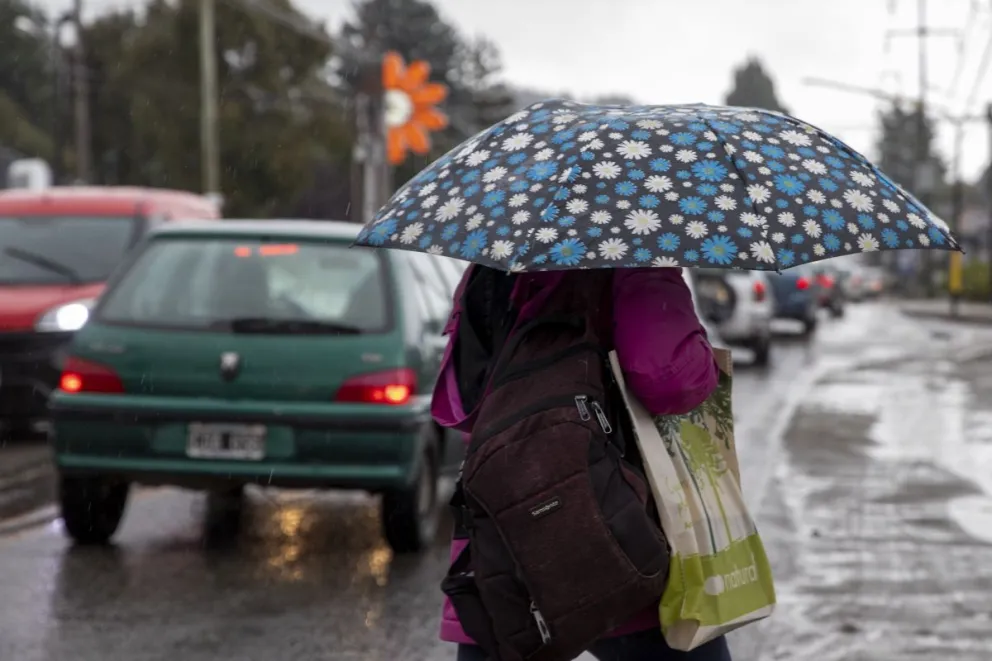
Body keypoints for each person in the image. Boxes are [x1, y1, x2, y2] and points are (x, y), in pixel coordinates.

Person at [431, 265, 731, 661]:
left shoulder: (491, 268)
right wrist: (702, 356)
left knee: (502, 634)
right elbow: (668, 379)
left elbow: (460, 407)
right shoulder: (637, 259)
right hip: (618, 530)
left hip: (503, 541)